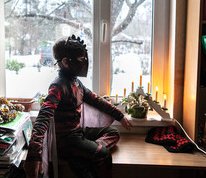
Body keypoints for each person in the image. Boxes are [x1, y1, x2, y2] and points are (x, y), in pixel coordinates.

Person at [24, 35, 132, 178]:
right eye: (81, 59)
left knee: (113, 133)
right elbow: (43, 118)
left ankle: (80, 156)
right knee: (103, 153)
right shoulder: (58, 86)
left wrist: (120, 116)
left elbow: (96, 100)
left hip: (77, 134)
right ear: (65, 62)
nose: (85, 62)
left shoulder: (75, 82)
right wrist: (34, 155)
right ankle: (85, 154)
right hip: (65, 142)